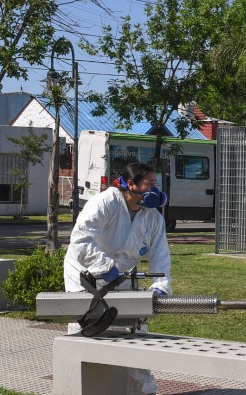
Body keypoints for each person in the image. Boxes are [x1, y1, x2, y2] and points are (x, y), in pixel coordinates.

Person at [63, 162, 172, 395]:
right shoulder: (106, 202)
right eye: (149, 184)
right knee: (86, 327)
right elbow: (81, 240)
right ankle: (81, 388)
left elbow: (160, 255)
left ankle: (142, 391)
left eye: (156, 184)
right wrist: (103, 267)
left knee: (136, 329)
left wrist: (161, 285)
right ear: (130, 184)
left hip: (122, 275)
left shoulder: (152, 217)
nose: (155, 190)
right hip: (84, 272)